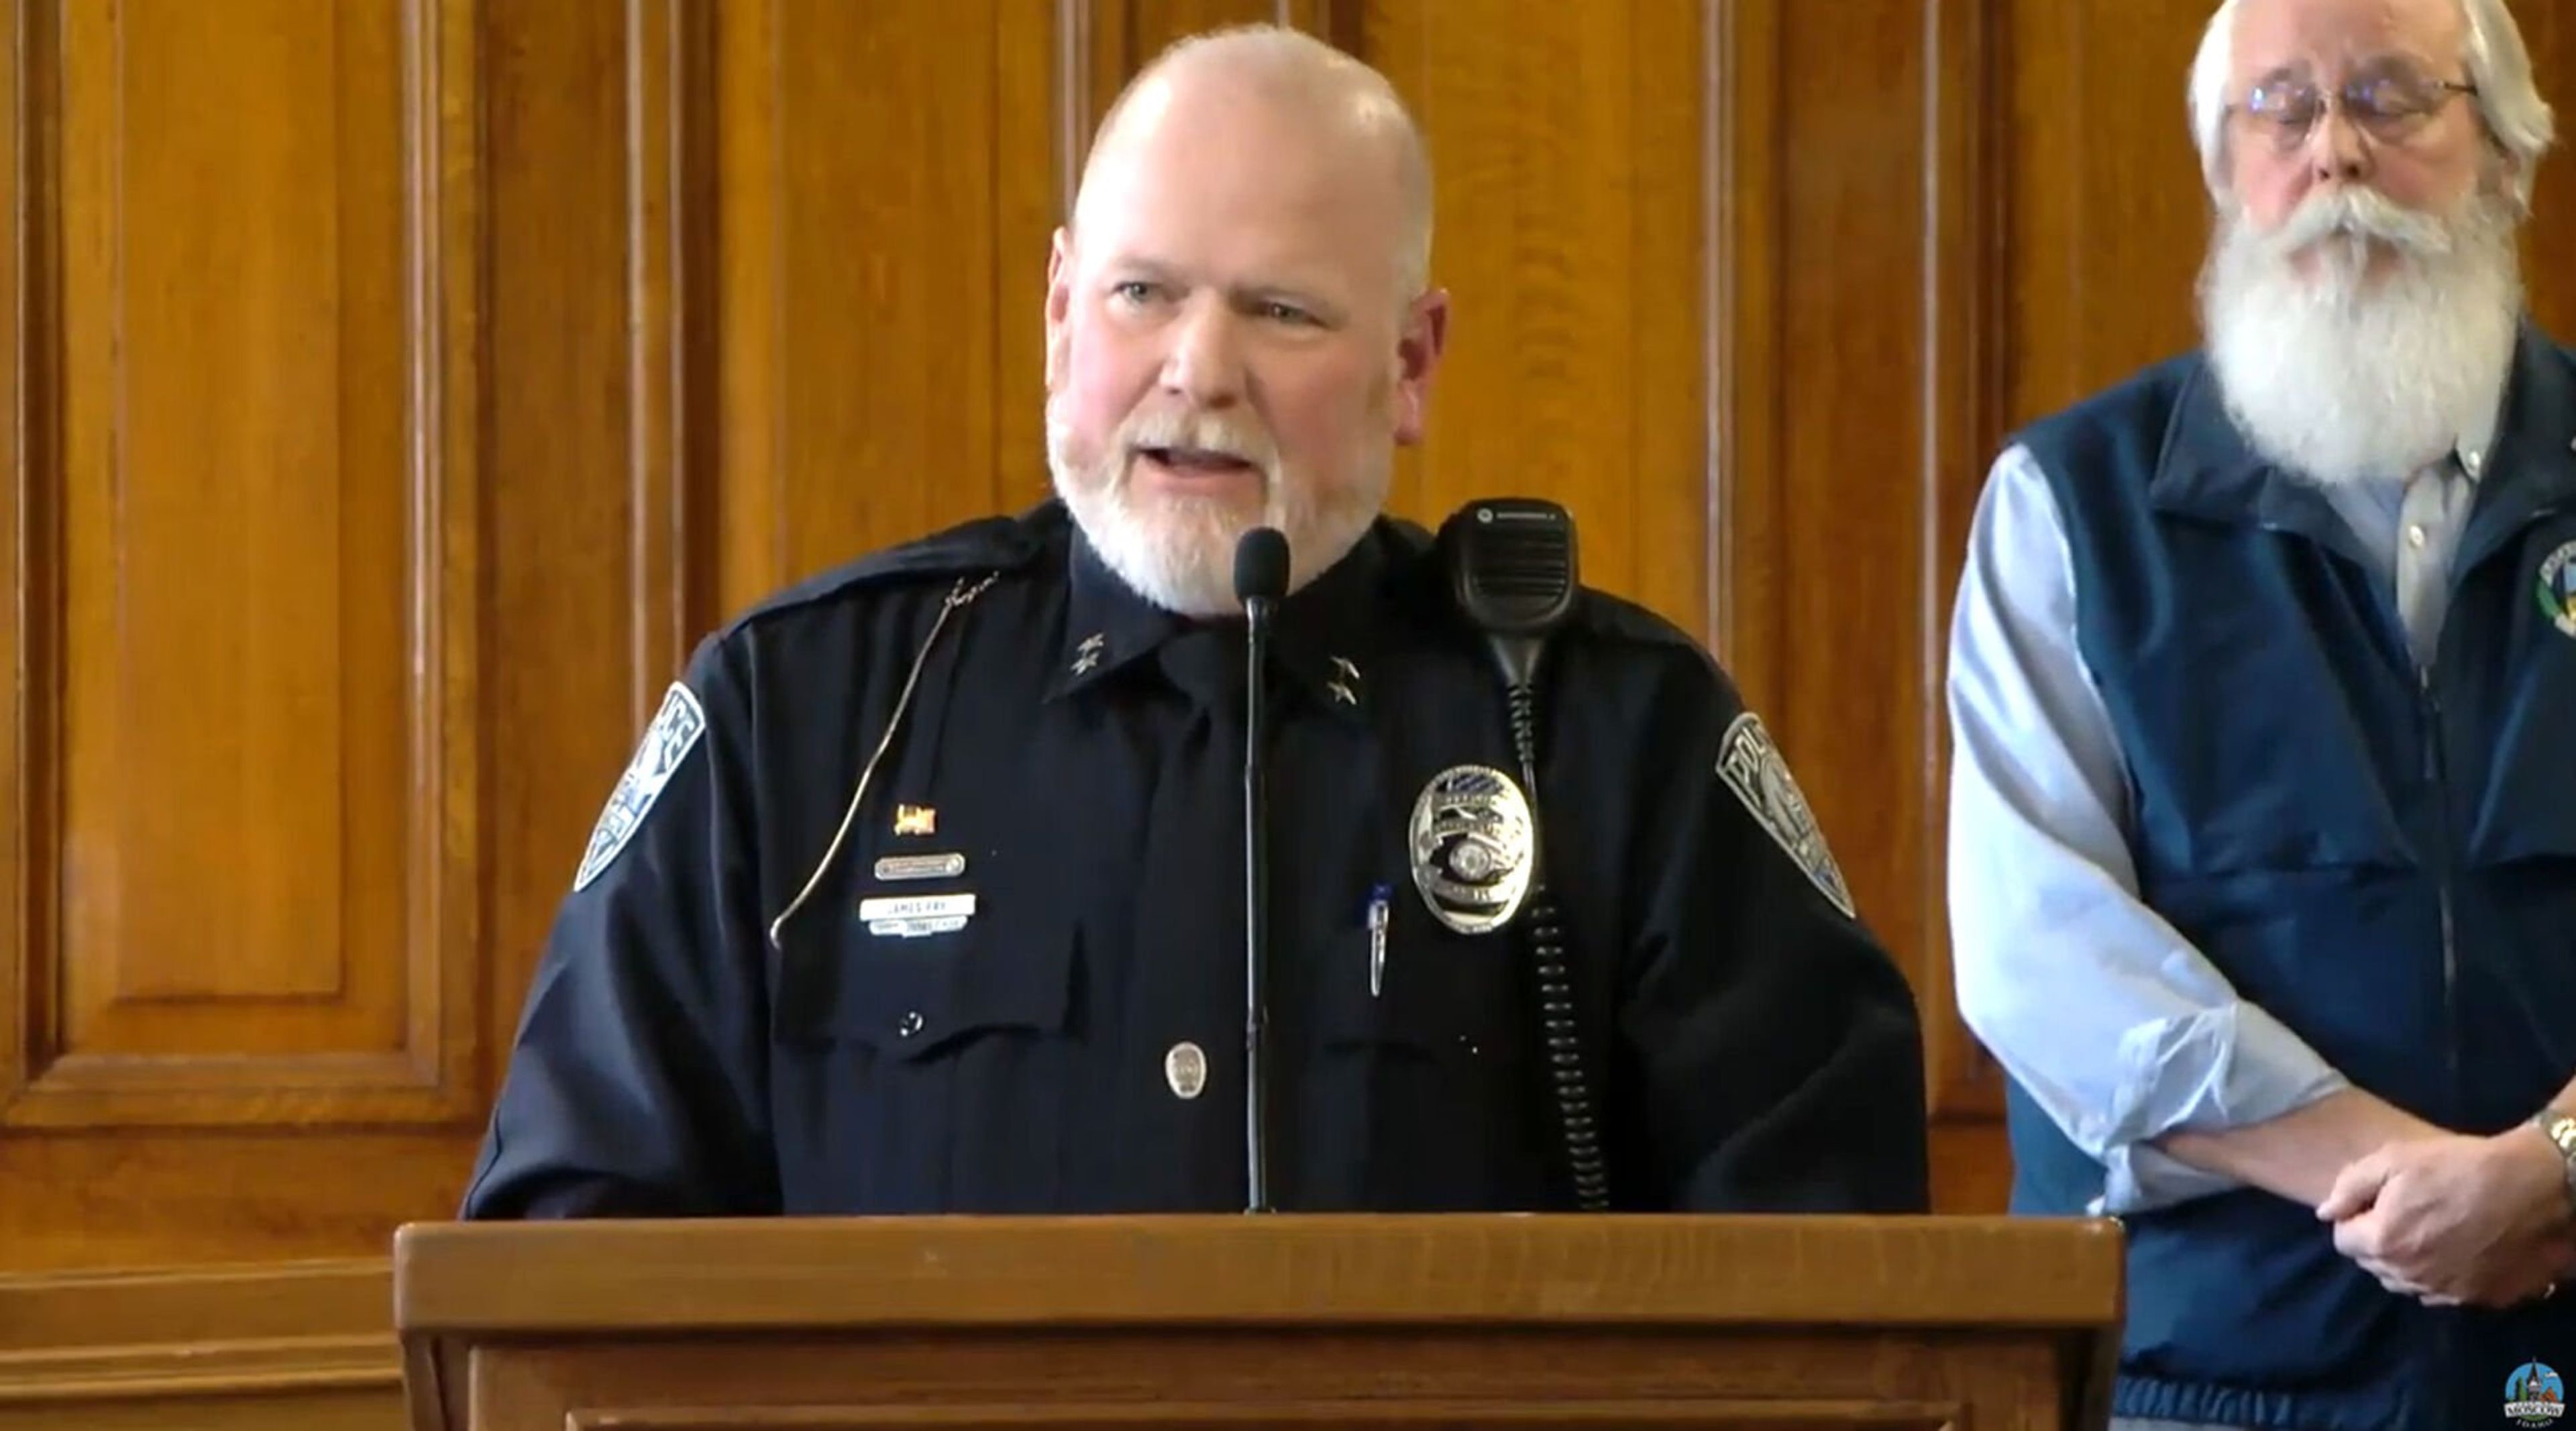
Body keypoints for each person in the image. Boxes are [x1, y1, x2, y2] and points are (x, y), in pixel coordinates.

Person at [461, 25, 1929, 1222]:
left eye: (1283, 311)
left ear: (1412, 362)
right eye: (1142, 293)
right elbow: (562, 1261)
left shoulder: (1614, 735)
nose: (1198, 369)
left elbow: (1832, 1268)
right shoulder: (804, 717)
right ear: (1057, 313)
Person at [1945, 0, 2575, 1426]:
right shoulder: (2073, 508)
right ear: (2229, 177)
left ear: (2509, 158)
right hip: (2209, 1377)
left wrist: (2556, 1165)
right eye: (2280, 110)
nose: (2333, 155)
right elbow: (2044, 953)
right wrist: (2410, 1179)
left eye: (2390, 98)